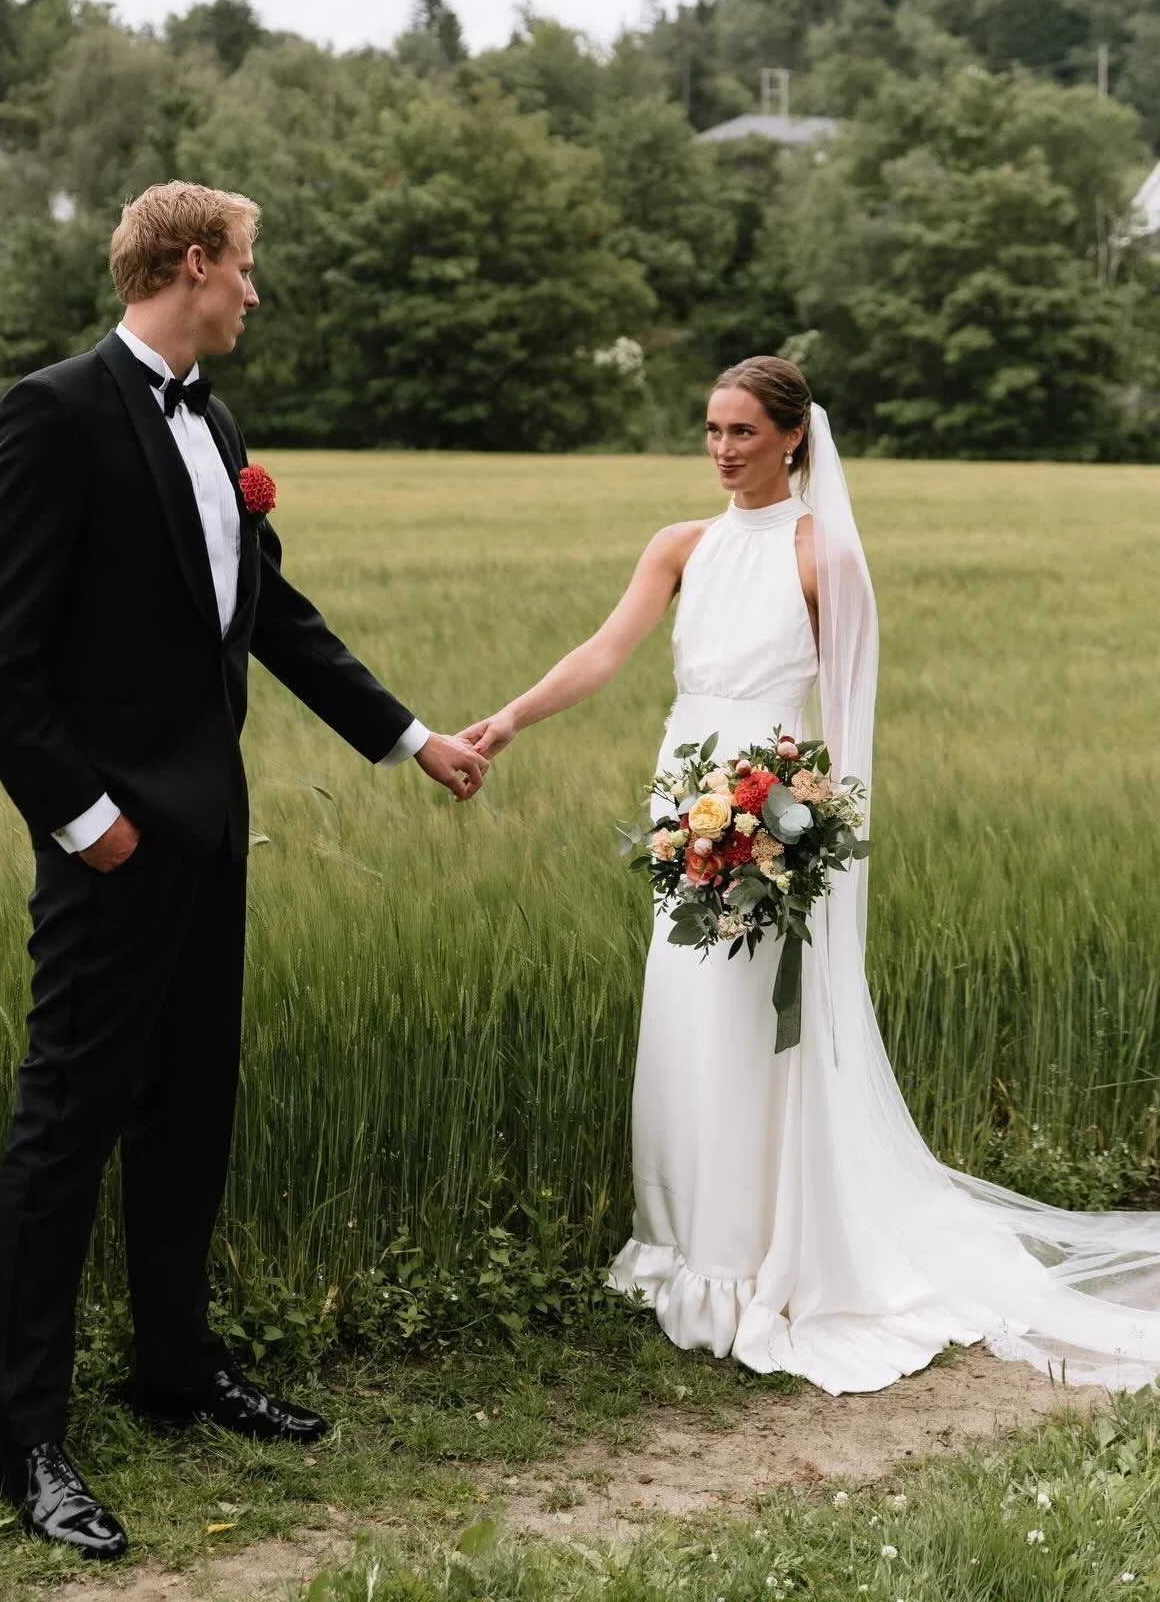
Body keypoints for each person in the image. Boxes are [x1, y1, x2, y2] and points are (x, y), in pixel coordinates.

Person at [0, 181, 487, 1559]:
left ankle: (177, 1373)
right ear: (193, 263)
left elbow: (274, 616)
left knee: (190, 1109)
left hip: (213, 836)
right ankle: (29, 1438)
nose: (257, 292)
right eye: (248, 269)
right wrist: (87, 823)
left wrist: (410, 737)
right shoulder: (55, 411)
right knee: (66, 1123)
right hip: (114, 850)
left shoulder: (220, 422)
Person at [463, 354, 1160, 1396]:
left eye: (742, 431)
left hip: (771, 821)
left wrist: (795, 829)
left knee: (754, 1026)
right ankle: (682, 1242)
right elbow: (608, 650)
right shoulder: (680, 545)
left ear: (793, 437)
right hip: (685, 808)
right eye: (711, 430)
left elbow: (845, 719)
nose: (722, 450)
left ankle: (750, 1256)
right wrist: (512, 717)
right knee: (687, 1014)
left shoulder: (821, 554)